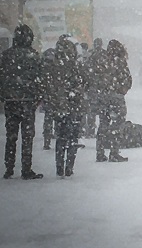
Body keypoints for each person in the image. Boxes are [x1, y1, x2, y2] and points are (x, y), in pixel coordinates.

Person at [0, 24, 44, 179]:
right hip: (27, 101)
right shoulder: (33, 56)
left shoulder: (6, 56)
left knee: (11, 136)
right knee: (27, 137)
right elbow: (39, 79)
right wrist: (38, 96)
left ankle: (9, 168)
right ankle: (26, 168)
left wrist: (4, 95)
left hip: (11, 101)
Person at [42, 39, 87, 177]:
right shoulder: (76, 66)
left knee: (61, 137)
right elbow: (85, 82)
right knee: (73, 137)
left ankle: (59, 166)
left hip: (60, 107)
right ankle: (69, 166)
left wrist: (53, 100)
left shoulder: (53, 67)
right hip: (74, 106)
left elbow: (47, 84)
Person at [95, 39, 131, 162]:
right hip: (117, 97)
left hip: (103, 96)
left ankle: (100, 152)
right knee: (117, 124)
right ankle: (114, 152)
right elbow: (128, 79)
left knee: (103, 124)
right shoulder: (120, 62)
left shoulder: (102, 61)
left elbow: (95, 78)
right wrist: (122, 90)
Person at [83, 38, 106, 138]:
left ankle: (91, 130)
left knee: (91, 111)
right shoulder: (105, 55)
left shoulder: (91, 56)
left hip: (93, 86)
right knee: (103, 111)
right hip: (102, 87)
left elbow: (86, 71)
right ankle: (102, 131)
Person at [41, 48, 56, 150]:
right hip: (56, 96)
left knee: (48, 119)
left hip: (48, 96)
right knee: (58, 119)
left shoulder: (43, 68)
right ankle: (57, 136)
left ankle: (47, 140)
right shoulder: (57, 67)